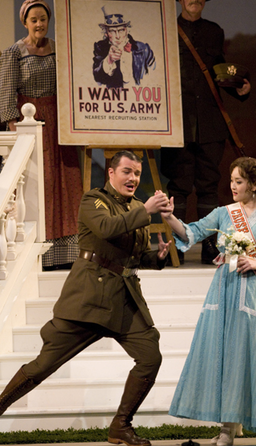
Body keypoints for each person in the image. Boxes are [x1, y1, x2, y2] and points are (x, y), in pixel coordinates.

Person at [0, 150, 171, 446]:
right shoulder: (93, 200)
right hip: (90, 299)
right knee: (43, 366)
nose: (133, 178)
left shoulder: (136, 206)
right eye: (127, 172)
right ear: (111, 173)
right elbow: (106, 229)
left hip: (125, 299)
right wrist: (146, 211)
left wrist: (157, 256)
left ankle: (121, 426)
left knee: (149, 356)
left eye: (137, 174)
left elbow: (132, 253)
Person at [161, 157, 256, 445]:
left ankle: (231, 425)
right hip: (222, 291)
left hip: (252, 296)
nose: (232, 186)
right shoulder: (224, 213)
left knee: (241, 357)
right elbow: (191, 233)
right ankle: (227, 426)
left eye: (239, 181)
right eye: (231, 180)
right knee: (220, 354)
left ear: (255, 185)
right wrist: (170, 217)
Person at [161, 0, 251, 264]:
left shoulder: (215, 31)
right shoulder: (164, 29)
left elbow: (219, 72)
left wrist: (240, 89)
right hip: (176, 123)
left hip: (210, 123)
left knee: (209, 186)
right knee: (179, 185)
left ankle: (210, 246)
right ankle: (176, 245)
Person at [0, 0, 83, 270]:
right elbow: (5, 95)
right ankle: (39, 253)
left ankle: (67, 252)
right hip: (30, 123)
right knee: (39, 182)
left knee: (66, 182)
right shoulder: (14, 52)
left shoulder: (59, 49)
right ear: (24, 22)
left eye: (43, 19)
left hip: (59, 122)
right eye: (33, 20)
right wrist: (17, 131)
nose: (39, 24)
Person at [93, 9, 155, 88]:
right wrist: (109, 60)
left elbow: (155, 75)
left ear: (127, 30)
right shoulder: (100, 47)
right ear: (106, 34)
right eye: (112, 31)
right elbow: (97, 78)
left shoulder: (143, 49)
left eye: (121, 30)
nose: (117, 36)